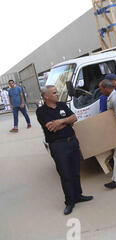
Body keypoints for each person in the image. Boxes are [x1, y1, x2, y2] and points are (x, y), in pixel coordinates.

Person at [36, 86, 93, 215]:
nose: (57, 94)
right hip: (58, 146)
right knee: (65, 175)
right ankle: (69, 202)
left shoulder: (62, 105)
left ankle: (78, 196)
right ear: (46, 96)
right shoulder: (41, 111)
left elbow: (74, 118)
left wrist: (61, 121)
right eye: (54, 93)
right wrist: (67, 122)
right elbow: (51, 128)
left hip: (72, 142)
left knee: (75, 172)